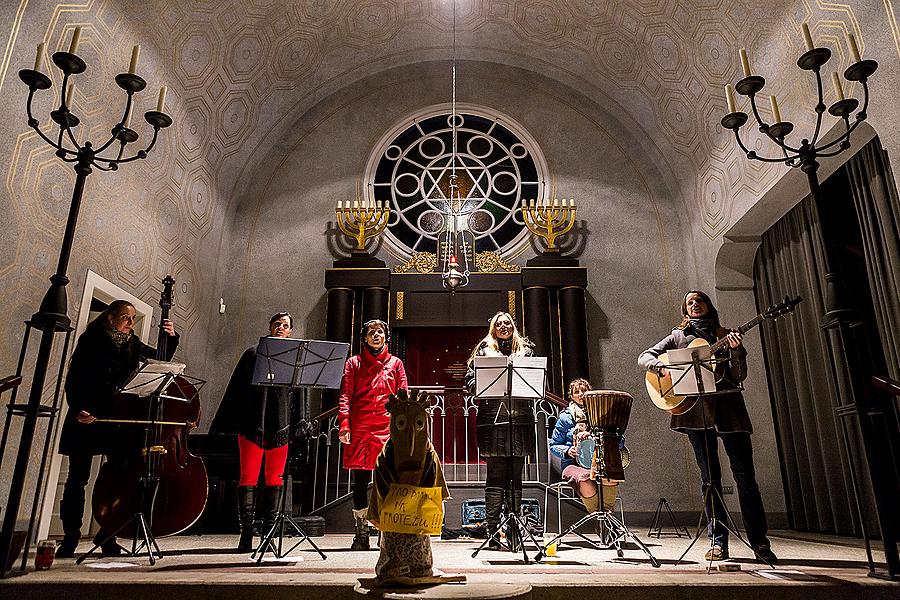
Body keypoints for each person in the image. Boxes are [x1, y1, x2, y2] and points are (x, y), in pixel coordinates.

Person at [638, 290, 777, 564]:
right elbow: (644, 357)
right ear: (685, 310)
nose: (694, 303)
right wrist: (661, 368)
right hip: (696, 413)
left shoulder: (726, 334)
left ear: (707, 306)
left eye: (699, 300)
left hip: (730, 411)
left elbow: (739, 375)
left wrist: (737, 350)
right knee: (710, 480)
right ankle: (717, 542)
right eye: (689, 301)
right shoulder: (677, 337)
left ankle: (760, 543)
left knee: (746, 479)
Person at [56, 300, 178, 558]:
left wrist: (171, 337)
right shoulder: (90, 340)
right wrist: (79, 407)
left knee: (118, 481)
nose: (130, 323)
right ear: (110, 318)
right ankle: (70, 538)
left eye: (132, 319)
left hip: (117, 420)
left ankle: (107, 535)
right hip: (87, 417)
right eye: (125, 317)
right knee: (77, 479)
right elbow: (74, 378)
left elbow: (159, 360)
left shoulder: (132, 343)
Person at [214, 312, 298, 552]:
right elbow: (235, 389)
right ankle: (246, 533)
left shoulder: (294, 358)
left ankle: (269, 534)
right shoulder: (253, 353)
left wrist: (301, 421)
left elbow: (300, 392)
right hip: (252, 425)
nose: (281, 328)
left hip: (280, 425)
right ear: (270, 327)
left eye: (285, 325)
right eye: (277, 324)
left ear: (290, 331)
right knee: (248, 478)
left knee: (275, 479)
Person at [464, 311, 535, 550]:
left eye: (507, 323)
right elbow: (470, 381)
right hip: (493, 420)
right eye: (499, 324)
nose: (503, 326)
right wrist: (480, 384)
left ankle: (514, 532)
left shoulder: (526, 351)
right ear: (493, 329)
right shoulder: (483, 350)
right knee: (495, 475)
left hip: (520, 420)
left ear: (513, 327)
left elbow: (536, 381)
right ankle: (493, 533)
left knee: (516, 477)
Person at [338, 319, 408, 550]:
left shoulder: (396, 364)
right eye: (371, 332)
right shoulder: (353, 363)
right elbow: (346, 395)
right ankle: (361, 533)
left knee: (387, 481)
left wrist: (403, 428)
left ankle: (385, 531)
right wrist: (344, 423)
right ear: (364, 337)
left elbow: (403, 398)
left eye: (380, 332)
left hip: (386, 429)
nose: (376, 336)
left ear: (386, 337)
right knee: (360, 481)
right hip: (359, 427)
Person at [549, 378, 619, 518]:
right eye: (576, 392)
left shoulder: (600, 413)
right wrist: (568, 451)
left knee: (611, 475)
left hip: (599, 461)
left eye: (584, 391)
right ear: (572, 396)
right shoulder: (565, 418)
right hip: (573, 464)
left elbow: (620, 441)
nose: (580, 394)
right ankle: (601, 519)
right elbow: (553, 445)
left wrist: (598, 436)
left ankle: (607, 520)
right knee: (585, 478)